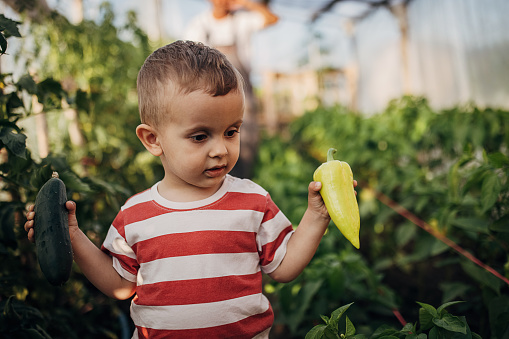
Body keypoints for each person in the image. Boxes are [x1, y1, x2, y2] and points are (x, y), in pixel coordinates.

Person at [25, 41, 357, 338]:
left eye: (231, 131)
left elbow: (283, 267)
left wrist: (316, 215)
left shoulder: (252, 200)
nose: (221, 150)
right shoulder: (135, 214)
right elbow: (121, 286)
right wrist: (71, 236)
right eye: (200, 136)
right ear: (153, 140)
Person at [185, 0, 279, 178]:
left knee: (246, 140)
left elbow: (273, 19)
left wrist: (247, 3)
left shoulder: (242, 21)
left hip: (243, 94)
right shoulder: (199, 25)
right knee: (213, 140)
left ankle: (242, 183)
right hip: (210, 95)